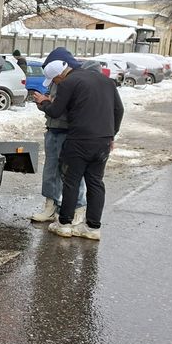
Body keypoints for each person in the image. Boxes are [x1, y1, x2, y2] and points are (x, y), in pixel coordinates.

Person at [31, 56, 124, 240]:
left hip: (79, 140)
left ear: (60, 75)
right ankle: (92, 228)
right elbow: (119, 110)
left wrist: (44, 102)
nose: (56, 83)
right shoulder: (107, 81)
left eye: (55, 80)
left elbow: (56, 111)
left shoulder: (69, 82)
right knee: (96, 183)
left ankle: (64, 224)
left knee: (71, 181)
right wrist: (111, 134)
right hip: (103, 141)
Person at [30, 47, 85, 224]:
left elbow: (72, 108)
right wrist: (44, 103)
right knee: (51, 169)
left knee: (72, 172)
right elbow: (53, 105)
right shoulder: (57, 79)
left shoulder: (76, 81)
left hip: (70, 132)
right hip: (53, 129)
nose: (54, 81)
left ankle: (78, 208)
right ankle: (50, 206)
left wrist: (48, 103)